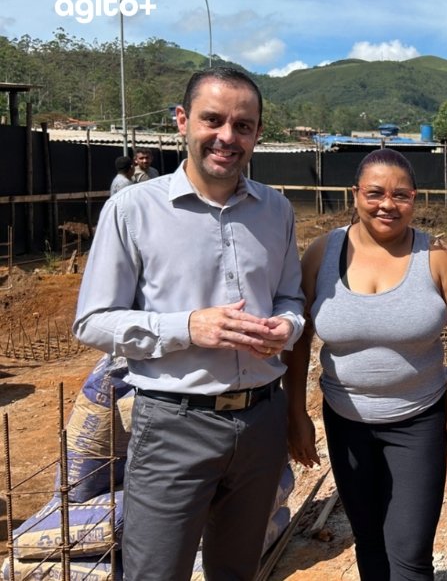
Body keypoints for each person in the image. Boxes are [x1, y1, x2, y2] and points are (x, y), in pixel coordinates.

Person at [73, 67, 305, 580]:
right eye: (212, 120)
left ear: (258, 133)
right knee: (156, 571)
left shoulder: (276, 211)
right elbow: (91, 321)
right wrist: (188, 327)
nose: (227, 136)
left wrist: (286, 328)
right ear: (182, 121)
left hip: (261, 422)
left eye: (243, 125)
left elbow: (290, 297)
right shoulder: (133, 210)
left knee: (237, 569)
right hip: (173, 423)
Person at [285, 148, 447, 580]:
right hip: (345, 420)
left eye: (400, 195)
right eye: (374, 193)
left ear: (415, 198)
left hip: (419, 420)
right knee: (369, 541)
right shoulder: (322, 254)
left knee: (409, 552)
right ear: (354, 195)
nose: (387, 204)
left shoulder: (436, 258)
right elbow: (297, 341)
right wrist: (296, 414)